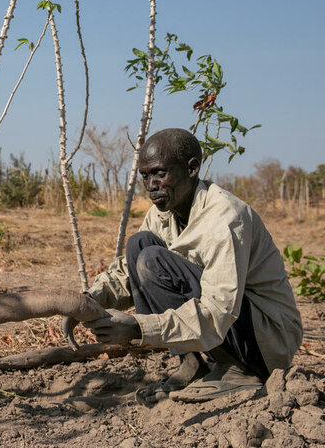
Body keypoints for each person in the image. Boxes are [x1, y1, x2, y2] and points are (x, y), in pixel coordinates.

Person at [66, 128, 302, 402]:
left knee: (152, 260)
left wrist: (137, 328)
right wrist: (88, 302)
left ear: (192, 168)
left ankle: (239, 372)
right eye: (145, 176)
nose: (151, 185)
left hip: (265, 340)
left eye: (159, 173)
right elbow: (128, 275)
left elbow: (218, 312)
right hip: (231, 327)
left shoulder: (224, 218)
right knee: (140, 246)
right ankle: (191, 363)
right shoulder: (162, 212)